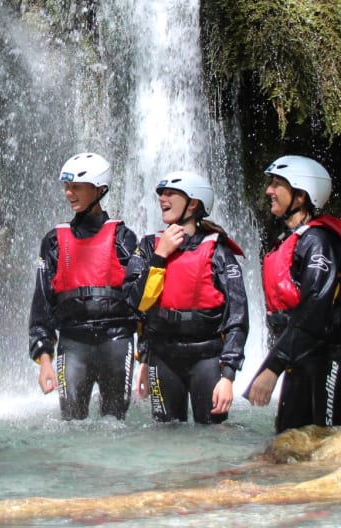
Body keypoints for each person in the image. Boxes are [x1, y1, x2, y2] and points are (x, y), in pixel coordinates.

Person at [129, 171, 249, 424]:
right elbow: (136, 303)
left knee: (213, 436)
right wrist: (159, 257)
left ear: (193, 203)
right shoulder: (150, 246)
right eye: (161, 193)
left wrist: (228, 376)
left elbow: (237, 317)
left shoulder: (218, 250)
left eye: (171, 193)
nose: (162, 198)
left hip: (207, 358)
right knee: (165, 435)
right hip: (162, 359)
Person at [28, 152, 139, 420]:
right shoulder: (54, 241)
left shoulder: (123, 238)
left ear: (99, 190)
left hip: (116, 338)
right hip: (73, 341)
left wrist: (145, 358)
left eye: (76, 187)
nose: (69, 193)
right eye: (66, 187)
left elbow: (140, 300)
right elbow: (41, 304)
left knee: (115, 423)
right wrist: (44, 360)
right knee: (71, 422)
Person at [246, 155, 341, 433]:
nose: (269, 191)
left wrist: (272, 366)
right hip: (300, 357)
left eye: (277, 184)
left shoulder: (319, 241)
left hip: (328, 358)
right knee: (287, 442)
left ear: (300, 196)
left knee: (327, 441)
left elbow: (314, 308)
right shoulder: (293, 240)